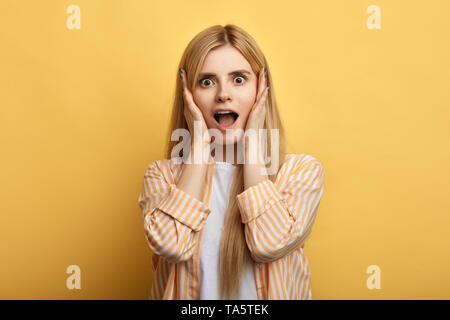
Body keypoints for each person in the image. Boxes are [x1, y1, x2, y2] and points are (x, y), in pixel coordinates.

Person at [137, 24, 325, 300]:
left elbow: (268, 244)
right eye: (207, 81)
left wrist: (252, 146)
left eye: (239, 79)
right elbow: (171, 246)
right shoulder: (162, 176)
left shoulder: (299, 173)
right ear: (188, 94)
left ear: (262, 88)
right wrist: (199, 147)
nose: (223, 94)